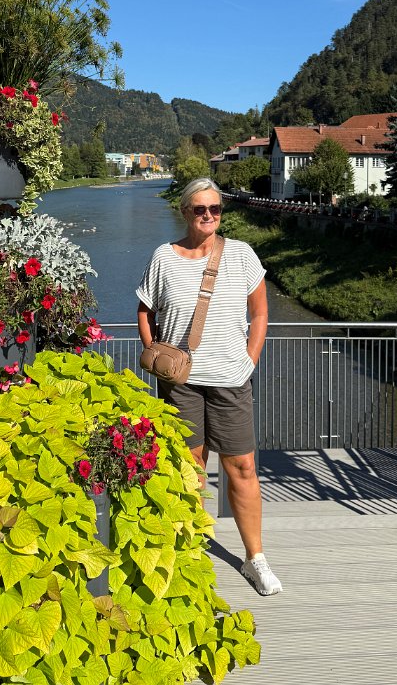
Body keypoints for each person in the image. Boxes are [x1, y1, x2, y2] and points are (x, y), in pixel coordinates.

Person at [136, 177, 282, 596]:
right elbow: (145, 310)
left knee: (243, 468)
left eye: (215, 209)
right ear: (185, 211)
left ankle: (255, 559)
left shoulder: (241, 254)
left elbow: (260, 312)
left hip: (231, 380)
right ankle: (192, 552)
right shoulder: (164, 257)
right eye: (199, 209)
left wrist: (250, 359)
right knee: (190, 469)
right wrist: (154, 353)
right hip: (181, 383)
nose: (208, 215)